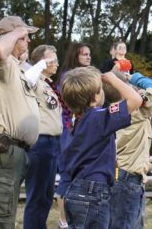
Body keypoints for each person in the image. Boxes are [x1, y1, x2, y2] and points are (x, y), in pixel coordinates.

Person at [0, 16, 40, 228]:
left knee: (3, 218)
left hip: (12, 152)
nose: (28, 40)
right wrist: (16, 32)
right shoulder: (0, 62)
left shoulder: (15, 66)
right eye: (25, 36)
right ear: (12, 37)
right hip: (1, 151)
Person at [61, 68, 143, 228]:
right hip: (93, 190)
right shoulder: (98, 117)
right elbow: (135, 99)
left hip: (75, 189)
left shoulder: (77, 121)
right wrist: (112, 79)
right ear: (95, 97)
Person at [110, 71, 152, 229]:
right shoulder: (133, 110)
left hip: (123, 175)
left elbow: (145, 130)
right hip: (127, 178)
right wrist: (133, 77)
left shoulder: (116, 110)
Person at [24, 45, 62, 229]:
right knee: (37, 196)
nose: (56, 63)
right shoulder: (33, 79)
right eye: (52, 60)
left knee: (46, 196)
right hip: (41, 142)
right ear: (41, 62)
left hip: (53, 142)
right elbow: (27, 78)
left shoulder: (47, 84)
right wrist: (41, 64)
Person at [55, 42, 92, 228]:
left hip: (85, 131)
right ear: (75, 56)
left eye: (89, 54)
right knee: (67, 175)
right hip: (69, 130)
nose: (88, 57)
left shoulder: (91, 76)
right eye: (84, 54)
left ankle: (78, 219)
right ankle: (63, 221)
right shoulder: (67, 78)